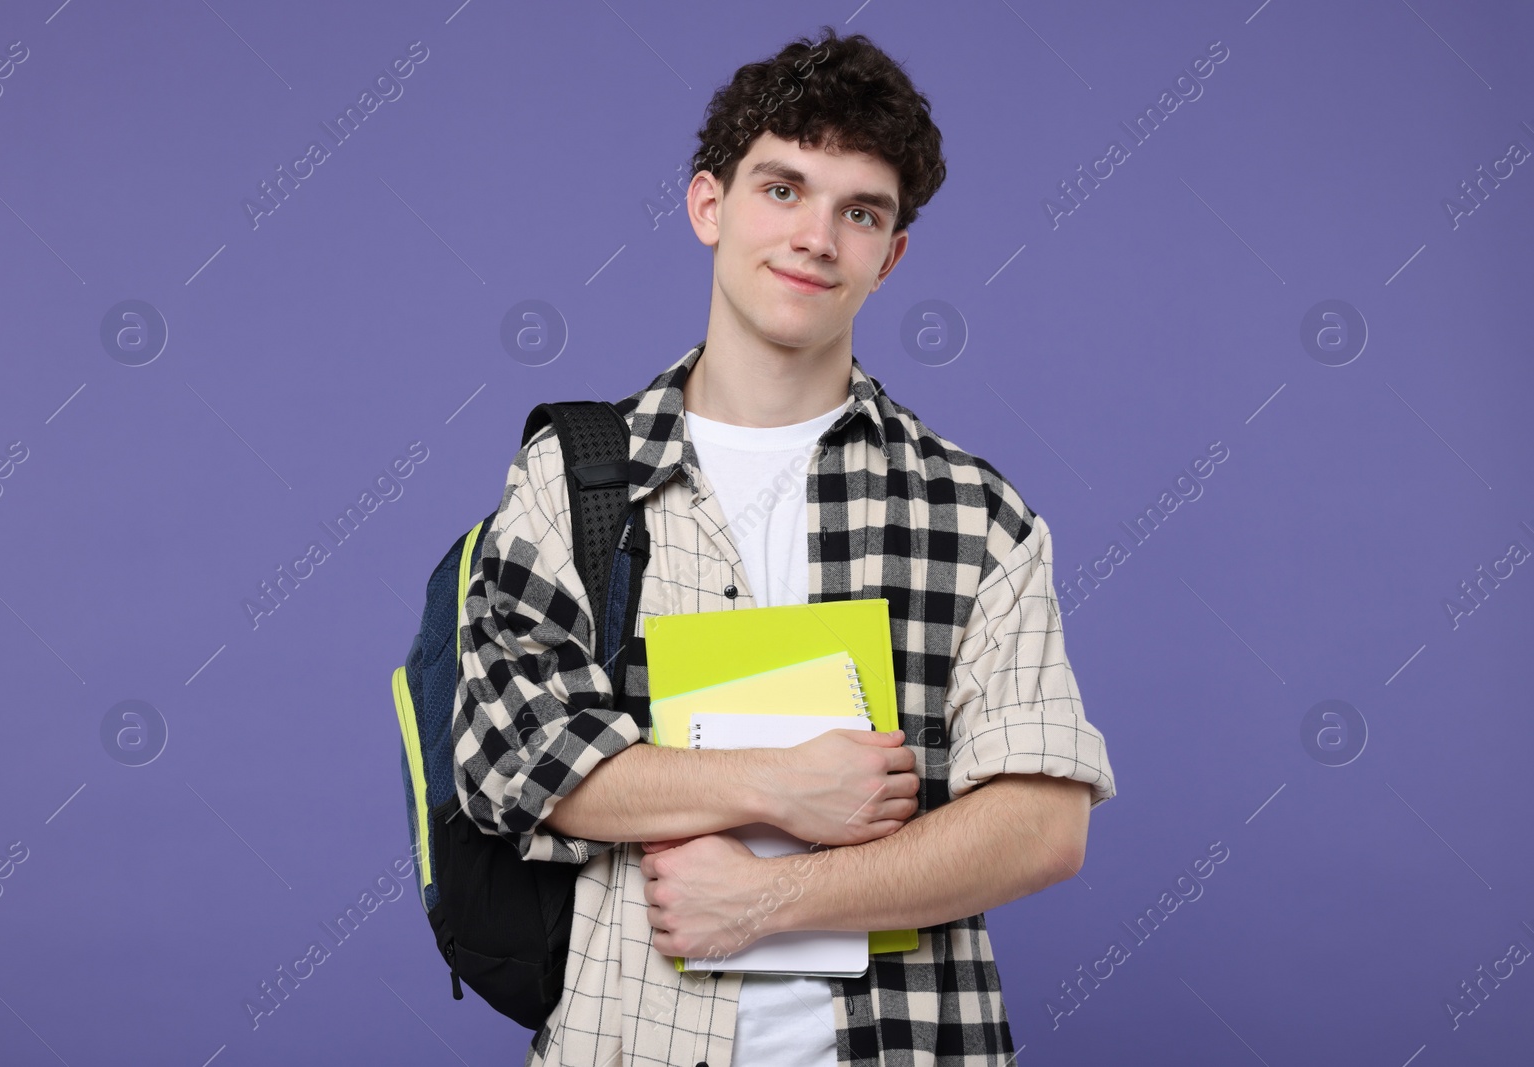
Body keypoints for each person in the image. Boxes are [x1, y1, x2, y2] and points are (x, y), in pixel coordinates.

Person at [452, 25, 1116, 1067]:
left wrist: (769, 897)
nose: (816, 236)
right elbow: (516, 760)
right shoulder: (573, 475)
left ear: (889, 256)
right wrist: (776, 783)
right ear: (708, 205)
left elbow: (1041, 823)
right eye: (782, 189)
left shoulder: (972, 510)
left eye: (860, 212)